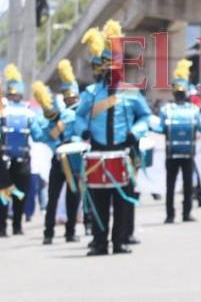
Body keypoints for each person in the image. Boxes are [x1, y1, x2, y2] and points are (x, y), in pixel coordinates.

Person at [75, 20, 151, 256]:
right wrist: (83, 131)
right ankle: (99, 242)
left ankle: (119, 241)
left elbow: (146, 116)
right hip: (98, 152)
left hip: (122, 151)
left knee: (122, 200)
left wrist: (134, 133)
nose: (110, 72)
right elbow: (79, 116)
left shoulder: (131, 91)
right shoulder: (90, 93)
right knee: (98, 201)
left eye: (114, 67)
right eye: (106, 67)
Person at [153, 59, 201, 224]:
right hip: (172, 153)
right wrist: (150, 128)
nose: (180, 95)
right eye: (178, 92)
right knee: (171, 185)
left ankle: (186, 212)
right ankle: (170, 214)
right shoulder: (166, 110)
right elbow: (161, 128)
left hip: (188, 152)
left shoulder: (193, 109)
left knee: (188, 184)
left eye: (182, 92)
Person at [0, 63, 45, 237]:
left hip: (14, 159)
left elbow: (38, 134)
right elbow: (38, 135)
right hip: (13, 159)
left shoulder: (7, 110)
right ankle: (10, 226)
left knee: (12, 193)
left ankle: (8, 226)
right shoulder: (18, 111)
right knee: (11, 194)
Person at [33, 66, 82, 245]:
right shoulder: (58, 118)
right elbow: (40, 136)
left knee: (71, 196)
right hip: (61, 159)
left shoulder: (70, 114)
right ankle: (50, 233)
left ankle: (66, 232)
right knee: (54, 198)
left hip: (71, 157)